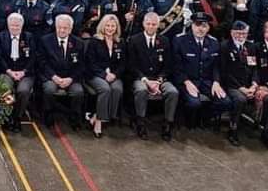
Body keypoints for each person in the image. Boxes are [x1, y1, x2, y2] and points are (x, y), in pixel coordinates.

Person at [171, 12, 229, 130]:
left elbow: (216, 66)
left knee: (225, 102)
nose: (200, 29)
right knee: (194, 103)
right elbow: (176, 66)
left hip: (206, 81)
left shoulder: (214, 42)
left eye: (204, 26)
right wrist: (186, 82)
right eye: (197, 25)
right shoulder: (180, 40)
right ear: (192, 25)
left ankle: (205, 118)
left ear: (208, 28)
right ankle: (188, 121)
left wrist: (216, 82)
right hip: (187, 80)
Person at [127, 12, 179, 141]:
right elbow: (131, 65)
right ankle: (140, 123)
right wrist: (145, 80)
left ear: (158, 25)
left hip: (159, 79)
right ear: (143, 24)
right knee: (141, 90)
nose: (151, 27)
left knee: (173, 92)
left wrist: (159, 80)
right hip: (141, 78)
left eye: (154, 24)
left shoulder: (165, 41)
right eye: (148, 24)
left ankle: (167, 124)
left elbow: (168, 65)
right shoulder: (134, 40)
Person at [40, 14, 86, 130]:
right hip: (51, 76)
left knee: (78, 92)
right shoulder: (45, 40)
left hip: (71, 78)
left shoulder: (79, 43)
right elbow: (42, 62)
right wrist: (54, 77)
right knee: (49, 89)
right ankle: (48, 116)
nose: (61, 30)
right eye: (59, 27)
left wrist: (70, 79)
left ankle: (74, 118)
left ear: (70, 29)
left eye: (65, 28)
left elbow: (81, 65)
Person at [219, 21, 258, 147]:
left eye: (244, 33)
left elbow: (254, 68)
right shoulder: (225, 46)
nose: (241, 36)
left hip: (249, 85)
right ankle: (233, 128)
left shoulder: (250, 47)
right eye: (238, 33)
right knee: (240, 99)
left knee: (267, 98)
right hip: (231, 85)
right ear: (232, 33)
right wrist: (241, 88)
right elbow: (224, 72)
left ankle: (261, 128)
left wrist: (254, 84)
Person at [85, 14, 125, 138]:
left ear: (116, 27)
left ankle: (104, 116)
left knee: (117, 89)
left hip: (114, 75)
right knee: (105, 89)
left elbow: (123, 63)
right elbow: (90, 63)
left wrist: (115, 74)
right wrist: (104, 75)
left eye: (113, 26)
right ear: (103, 26)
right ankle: (99, 121)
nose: (110, 28)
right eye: (107, 25)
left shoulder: (120, 42)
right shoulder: (94, 41)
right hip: (95, 74)